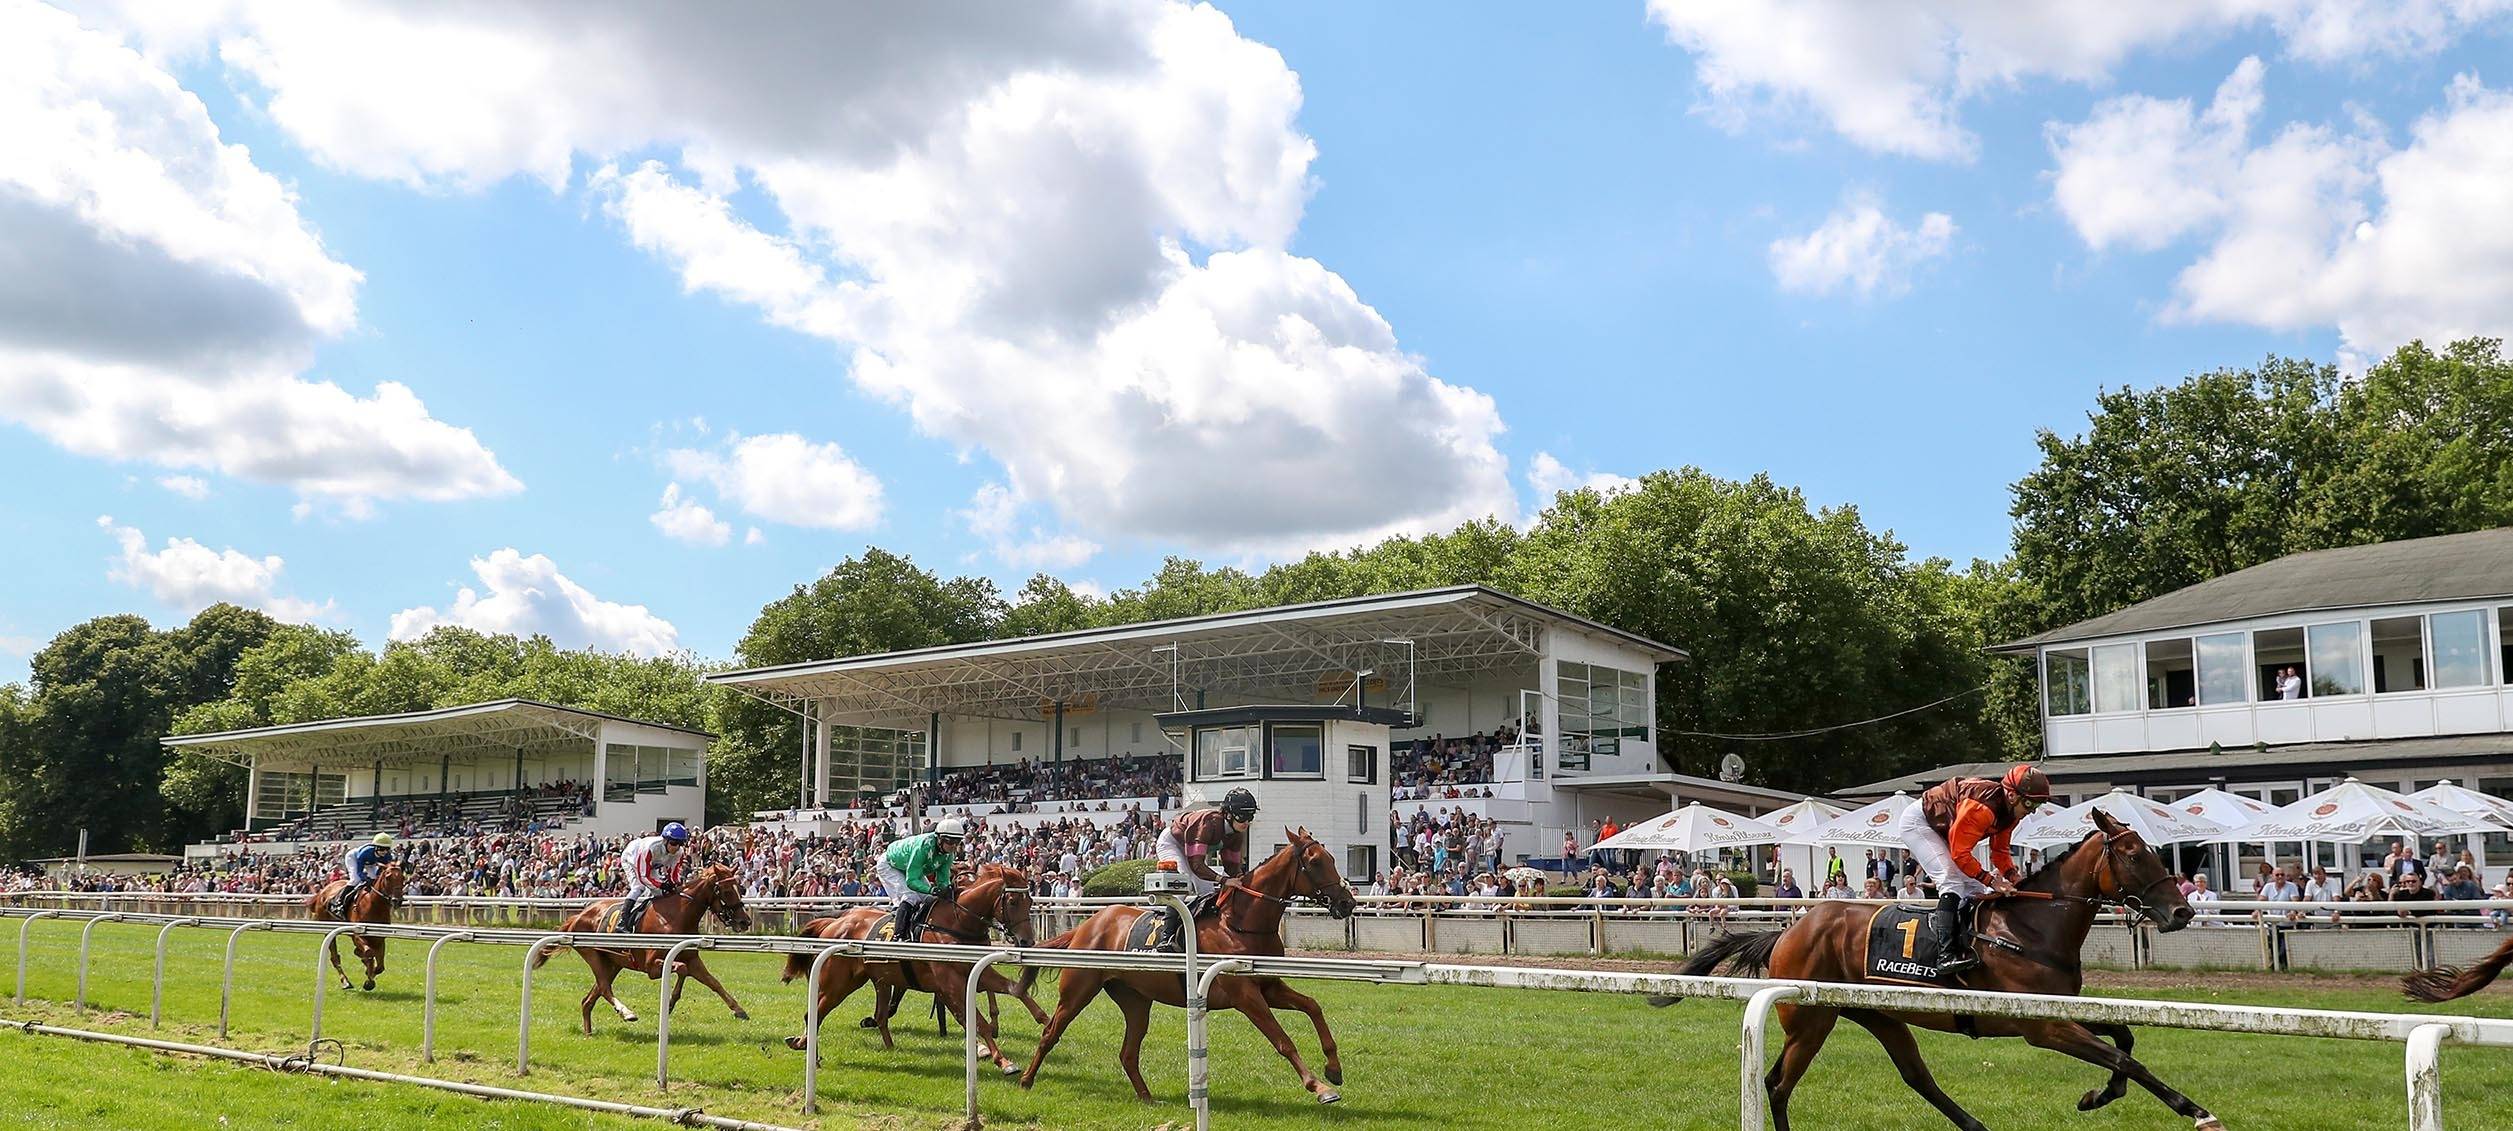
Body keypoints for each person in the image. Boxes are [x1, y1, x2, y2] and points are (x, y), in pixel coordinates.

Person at [1897, 764, 2053, 974]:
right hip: (1919, 822)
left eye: (2037, 805)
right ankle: (1946, 955)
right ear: (2012, 795)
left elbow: (2000, 851)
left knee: (1974, 887)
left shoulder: (2012, 813)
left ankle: (1966, 943)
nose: (2031, 811)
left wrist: (2013, 877)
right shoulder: (1982, 808)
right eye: (2029, 803)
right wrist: (1991, 880)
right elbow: (1960, 854)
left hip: (1943, 827)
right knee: (1950, 880)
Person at [877, 817, 966, 936]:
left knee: (930, 898)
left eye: (958, 842)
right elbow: (911, 881)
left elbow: (943, 880)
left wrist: (946, 890)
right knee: (910, 897)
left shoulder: (948, 855)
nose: (954, 846)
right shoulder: (923, 847)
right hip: (889, 864)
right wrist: (932, 889)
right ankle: (899, 936)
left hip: (907, 866)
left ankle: (919, 928)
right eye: (950, 841)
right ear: (940, 839)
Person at [616, 822, 691, 933]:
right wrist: (662, 885)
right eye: (674, 843)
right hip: (631, 858)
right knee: (638, 887)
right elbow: (644, 876)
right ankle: (622, 922)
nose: (677, 847)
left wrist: (673, 885)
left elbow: (674, 875)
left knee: (659, 893)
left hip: (652, 864)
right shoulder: (650, 848)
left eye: (680, 843)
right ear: (665, 840)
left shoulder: (679, 852)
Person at [334, 833, 394, 917]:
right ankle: (340, 902)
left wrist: (376, 876)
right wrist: (365, 878)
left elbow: (382, 869)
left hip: (371, 862)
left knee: (374, 878)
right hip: (354, 858)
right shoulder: (365, 853)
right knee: (356, 879)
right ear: (375, 847)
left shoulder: (387, 856)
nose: (384, 852)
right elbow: (359, 871)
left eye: (387, 849)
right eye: (382, 849)